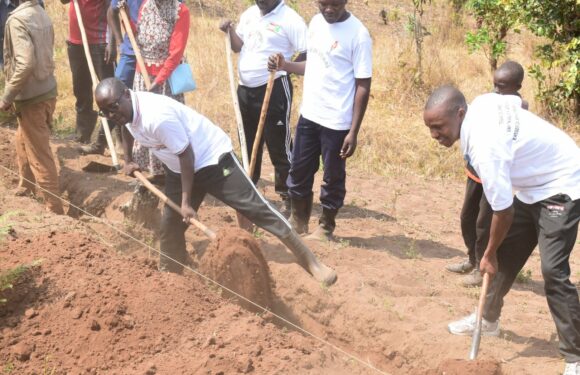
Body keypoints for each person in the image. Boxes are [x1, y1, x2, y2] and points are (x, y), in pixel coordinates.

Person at [94, 77, 337, 287]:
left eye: (114, 107)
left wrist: (187, 202)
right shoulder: (126, 113)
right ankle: (169, 279)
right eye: (106, 112)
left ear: (127, 94)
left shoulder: (156, 117)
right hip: (181, 169)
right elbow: (126, 127)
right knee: (171, 226)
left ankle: (311, 262)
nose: (112, 115)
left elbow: (186, 154)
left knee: (257, 209)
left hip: (212, 160)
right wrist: (128, 159)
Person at [424, 86, 580, 375]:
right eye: (430, 128)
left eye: (438, 126)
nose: (435, 134)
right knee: (506, 256)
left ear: (460, 113)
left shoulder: (485, 148)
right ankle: (488, 320)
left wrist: (488, 254)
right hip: (531, 184)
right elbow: (517, 102)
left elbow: (503, 211)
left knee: (553, 271)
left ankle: (576, 356)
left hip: (561, 182)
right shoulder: (481, 102)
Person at [268, 0, 372, 241]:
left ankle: (326, 226)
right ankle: (298, 220)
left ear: (345, 1)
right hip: (310, 114)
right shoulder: (315, 23)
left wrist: (353, 131)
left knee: (332, 175)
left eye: (334, 4)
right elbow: (312, 64)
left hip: (337, 121)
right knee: (299, 169)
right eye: (323, 4)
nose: (328, 10)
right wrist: (286, 65)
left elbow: (363, 85)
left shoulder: (359, 34)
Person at [219, 0, 308, 216]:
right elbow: (238, 47)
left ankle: (289, 197)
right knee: (247, 142)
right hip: (245, 89)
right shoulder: (249, 14)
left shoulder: (290, 19)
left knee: (278, 143)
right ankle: (250, 187)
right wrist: (229, 31)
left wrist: (285, 65)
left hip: (274, 86)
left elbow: (308, 54)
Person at [447, 60, 529, 287]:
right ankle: (472, 258)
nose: (497, 90)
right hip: (477, 170)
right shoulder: (488, 101)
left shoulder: (519, 107)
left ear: (517, 86)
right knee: (467, 217)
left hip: (494, 173)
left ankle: (482, 269)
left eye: (502, 86)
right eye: (495, 85)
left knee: (484, 222)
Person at [0, 0, 63, 214]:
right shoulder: (40, 12)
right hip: (47, 89)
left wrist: (7, 96)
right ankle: (26, 185)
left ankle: (54, 209)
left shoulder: (17, 20)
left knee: (40, 154)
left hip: (32, 96)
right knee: (22, 137)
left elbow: (25, 63)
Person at [129, 0, 189, 179]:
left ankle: (168, 172)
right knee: (142, 123)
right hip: (142, 76)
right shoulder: (146, 5)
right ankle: (149, 169)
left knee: (163, 125)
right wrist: (124, 18)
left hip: (165, 81)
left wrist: (159, 80)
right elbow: (137, 36)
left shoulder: (180, 12)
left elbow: (176, 53)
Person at [79, 0, 144, 155]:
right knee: (115, 96)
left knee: (148, 99)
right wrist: (118, 42)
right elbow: (112, 11)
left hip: (155, 57)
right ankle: (101, 142)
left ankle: (149, 153)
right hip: (130, 52)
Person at [60, 0, 115, 144]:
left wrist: (112, 42)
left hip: (100, 42)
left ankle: (115, 138)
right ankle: (82, 133)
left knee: (109, 92)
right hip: (76, 42)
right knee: (81, 90)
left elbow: (113, 9)